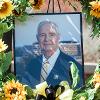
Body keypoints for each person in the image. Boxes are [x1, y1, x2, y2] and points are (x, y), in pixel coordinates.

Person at [16, 20, 84, 88]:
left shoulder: (72, 66)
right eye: (42, 35)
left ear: (59, 37)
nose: (47, 39)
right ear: (37, 38)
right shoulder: (31, 64)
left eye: (51, 35)